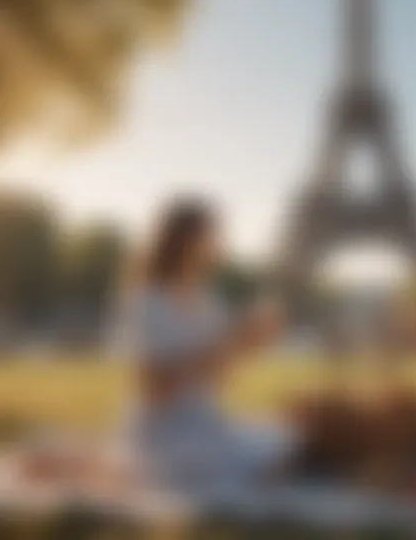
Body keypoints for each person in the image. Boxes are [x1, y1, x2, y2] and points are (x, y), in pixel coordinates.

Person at [119, 197, 296, 492]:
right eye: (212, 234)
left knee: (289, 442)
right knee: (267, 464)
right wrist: (232, 341)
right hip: (165, 432)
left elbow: (217, 380)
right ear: (186, 240)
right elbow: (155, 390)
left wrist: (247, 345)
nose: (220, 243)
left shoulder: (209, 300)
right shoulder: (147, 301)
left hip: (207, 422)